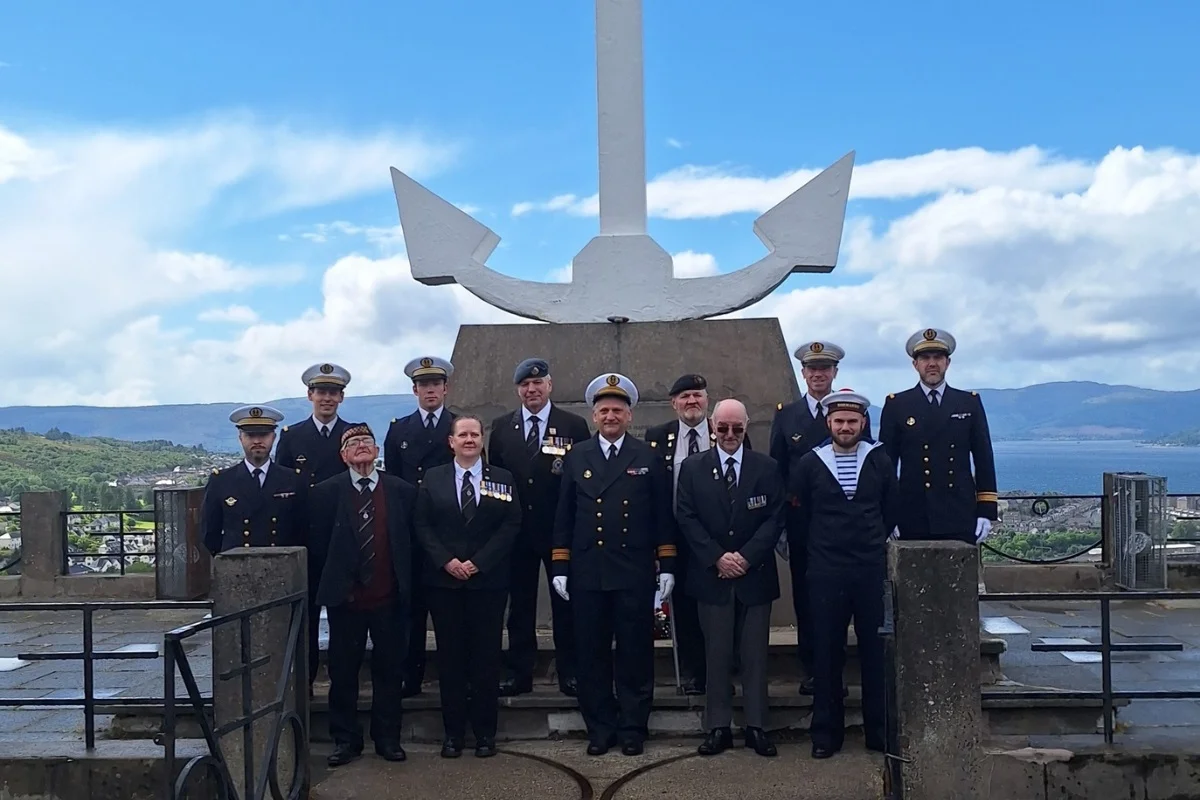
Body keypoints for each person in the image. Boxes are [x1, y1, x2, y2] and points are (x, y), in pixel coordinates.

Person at [550, 373, 676, 756]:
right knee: (591, 654)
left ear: (629, 415)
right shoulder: (577, 457)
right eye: (604, 410)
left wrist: (667, 563)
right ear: (593, 416)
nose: (610, 416)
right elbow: (564, 516)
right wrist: (560, 566)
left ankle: (633, 726)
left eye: (617, 410)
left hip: (633, 571)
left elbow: (661, 516)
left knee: (635, 653)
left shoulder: (647, 457)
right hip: (589, 570)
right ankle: (600, 728)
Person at [792, 389, 898, 758]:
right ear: (829, 423)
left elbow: (891, 508)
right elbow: (800, 516)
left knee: (875, 653)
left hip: (869, 570)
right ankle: (825, 734)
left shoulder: (879, 459)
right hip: (826, 571)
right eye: (839, 421)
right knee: (826, 653)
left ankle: (879, 732)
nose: (845, 427)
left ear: (863, 422)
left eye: (852, 421)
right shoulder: (810, 463)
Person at [675, 398, 784, 757]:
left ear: (746, 426)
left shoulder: (766, 467)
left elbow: (774, 518)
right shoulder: (692, 468)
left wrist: (747, 557)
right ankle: (718, 727)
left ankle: (757, 727)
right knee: (716, 654)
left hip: (755, 575)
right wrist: (717, 557)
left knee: (755, 656)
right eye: (723, 427)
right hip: (712, 576)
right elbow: (686, 516)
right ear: (712, 426)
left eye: (737, 427)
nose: (730, 434)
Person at [309, 424, 415, 767]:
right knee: (343, 673)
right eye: (353, 443)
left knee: (390, 672)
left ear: (377, 450)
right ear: (343, 456)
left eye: (367, 441)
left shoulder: (401, 491)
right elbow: (318, 546)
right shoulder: (325, 493)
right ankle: (346, 740)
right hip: (346, 601)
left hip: (389, 598)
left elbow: (410, 542)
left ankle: (388, 739)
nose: (361, 447)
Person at [415, 415, 521, 758]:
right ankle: (453, 735)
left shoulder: (502, 479)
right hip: (444, 585)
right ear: (451, 442)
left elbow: (511, 524)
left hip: (487, 583)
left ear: (482, 439)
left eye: (475, 434)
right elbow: (422, 524)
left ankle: (485, 734)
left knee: (486, 660)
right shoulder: (433, 478)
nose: (470, 439)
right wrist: (447, 561)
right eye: (463, 435)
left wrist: (480, 562)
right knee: (451, 661)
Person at [644, 373, 755, 695]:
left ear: (707, 401)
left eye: (697, 395)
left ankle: (726, 669)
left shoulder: (726, 430)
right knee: (684, 607)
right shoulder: (657, 437)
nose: (691, 401)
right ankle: (696, 672)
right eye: (684, 396)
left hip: (720, 539)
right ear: (673, 403)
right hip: (677, 537)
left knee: (724, 606)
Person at [487, 358, 590, 698]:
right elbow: (497, 481)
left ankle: (571, 672)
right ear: (518, 390)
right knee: (520, 606)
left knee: (566, 603)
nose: (531, 390)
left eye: (537, 383)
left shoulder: (573, 425)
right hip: (517, 533)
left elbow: (581, 479)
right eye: (525, 385)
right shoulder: (502, 427)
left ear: (550, 385)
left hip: (560, 530)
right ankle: (520, 673)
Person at [769, 340, 867, 694]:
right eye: (812, 369)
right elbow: (777, 472)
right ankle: (813, 669)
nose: (818, 374)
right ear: (803, 373)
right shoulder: (787, 415)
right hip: (802, 525)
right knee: (806, 598)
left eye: (825, 368)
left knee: (846, 598)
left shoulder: (849, 413)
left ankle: (842, 668)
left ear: (835, 372)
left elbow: (867, 467)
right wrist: (780, 525)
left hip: (844, 527)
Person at [877, 328, 998, 545]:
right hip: (912, 513)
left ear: (947, 363)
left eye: (938, 357)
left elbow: (984, 459)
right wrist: (888, 513)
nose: (932, 363)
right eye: (925, 358)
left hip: (959, 512)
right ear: (915, 364)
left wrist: (986, 510)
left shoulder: (968, 402)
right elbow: (887, 465)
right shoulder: (897, 405)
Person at [274, 362, 353, 692]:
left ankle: (343, 684)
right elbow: (280, 488)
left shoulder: (353, 434)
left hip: (343, 538)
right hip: (304, 539)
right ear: (310, 395)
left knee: (344, 618)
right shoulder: (292, 437)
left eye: (333, 392)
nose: (327, 398)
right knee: (305, 617)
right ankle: (303, 684)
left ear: (341, 397)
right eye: (321, 392)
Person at [383, 355, 457, 698]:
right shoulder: (399, 429)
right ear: (415, 390)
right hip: (411, 532)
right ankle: (409, 676)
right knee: (410, 609)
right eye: (424, 385)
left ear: (445, 388)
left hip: (448, 531)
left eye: (435, 384)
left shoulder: (459, 427)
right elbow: (393, 482)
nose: (430, 390)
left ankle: (451, 676)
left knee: (448, 612)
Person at [202, 405, 307, 555]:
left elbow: (303, 529)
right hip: (237, 563)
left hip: (282, 563)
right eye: (250, 435)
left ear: (273, 437)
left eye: (263, 434)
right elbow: (209, 534)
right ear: (240, 438)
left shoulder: (293, 480)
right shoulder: (221, 481)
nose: (257, 441)